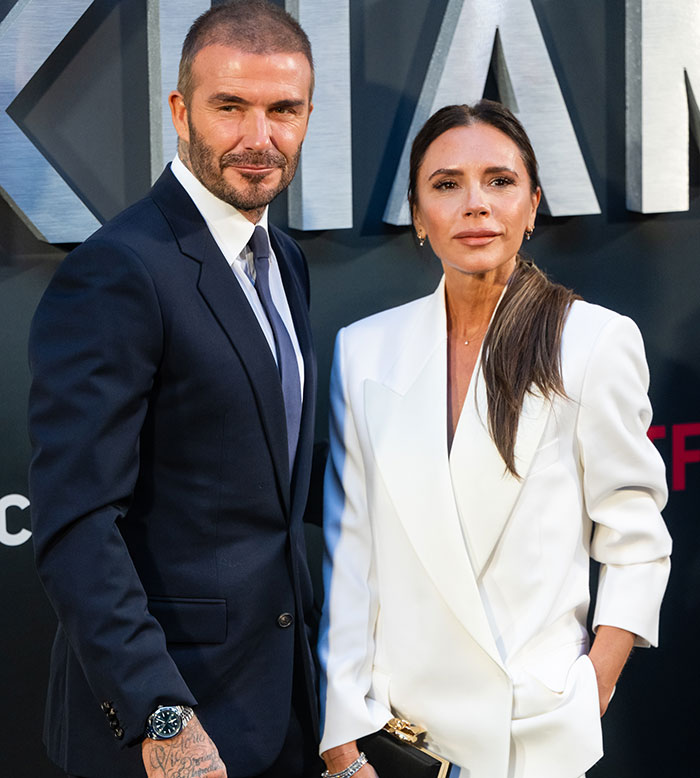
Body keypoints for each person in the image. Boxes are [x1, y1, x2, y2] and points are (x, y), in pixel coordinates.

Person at [318, 101, 672, 778]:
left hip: (530, 739)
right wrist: (341, 742)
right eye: (447, 184)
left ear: (533, 205)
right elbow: (350, 554)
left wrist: (588, 691)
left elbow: (636, 540)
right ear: (419, 217)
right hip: (400, 742)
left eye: (500, 181)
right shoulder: (364, 351)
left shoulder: (593, 342)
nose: (475, 204)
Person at [28, 3, 322, 777]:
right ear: (180, 111)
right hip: (168, 732)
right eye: (231, 107)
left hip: (279, 708)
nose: (259, 138)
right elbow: (77, 520)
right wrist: (162, 714)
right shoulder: (119, 270)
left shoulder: (283, 259)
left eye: (283, 110)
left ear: (307, 115)